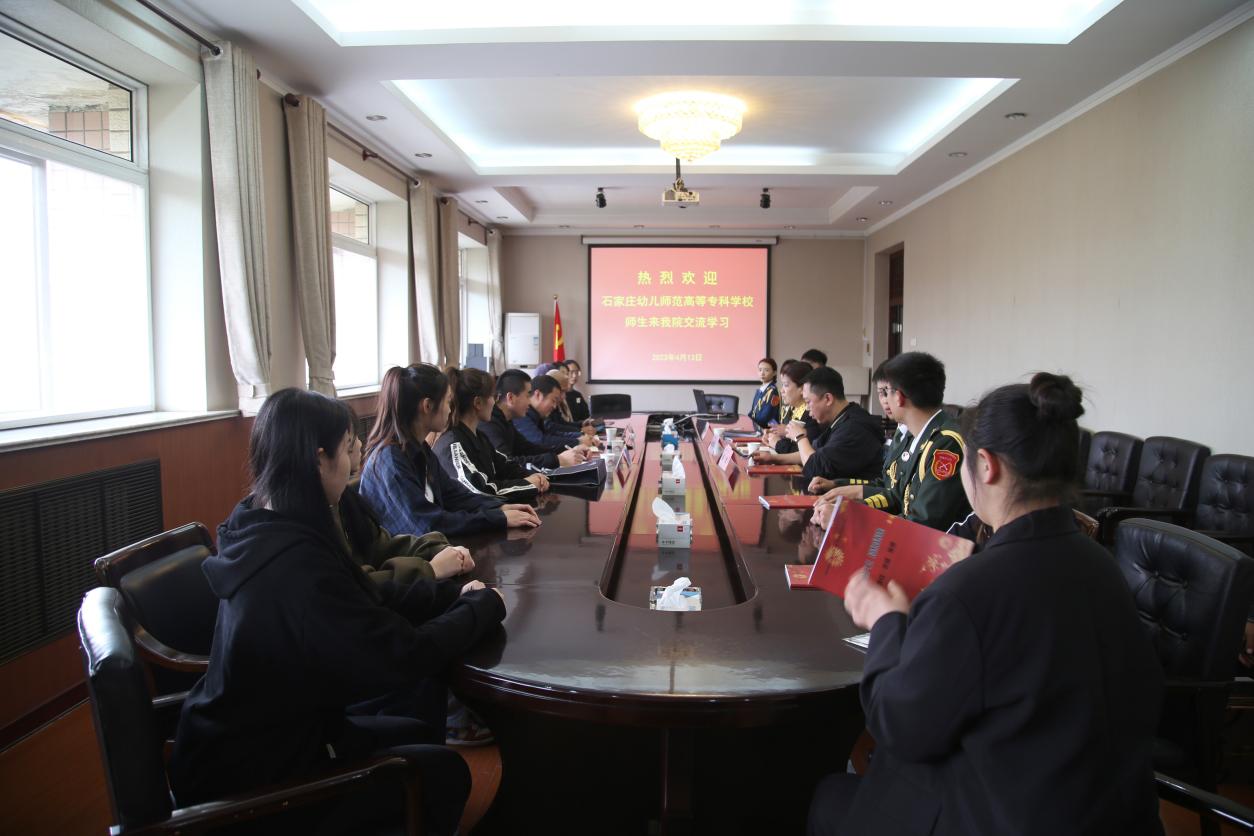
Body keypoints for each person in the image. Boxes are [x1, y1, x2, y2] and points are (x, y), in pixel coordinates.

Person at [807, 373, 1164, 836]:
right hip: (1106, 812)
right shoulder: (1105, 565)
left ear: (986, 466)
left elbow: (900, 727)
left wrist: (886, 620)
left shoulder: (967, 590)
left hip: (1004, 814)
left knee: (829, 797)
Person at [169, 388, 507, 835]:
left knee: (413, 729)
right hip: (258, 780)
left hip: (255, 736)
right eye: (348, 448)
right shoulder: (296, 562)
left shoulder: (259, 521)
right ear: (318, 459)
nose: (353, 461)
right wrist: (482, 607)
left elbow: (363, 596)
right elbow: (400, 654)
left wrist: (449, 597)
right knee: (447, 773)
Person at [360, 364, 541, 537]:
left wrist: (498, 507)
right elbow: (427, 523)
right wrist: (496, 518)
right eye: (448, 402)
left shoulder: (420, 448)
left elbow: (454, 495)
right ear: (427, 406)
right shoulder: (391, 458)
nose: (450, 409)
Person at [813, 352, 969, 532]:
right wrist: (845, 502)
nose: (885, 400)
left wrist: (847, 519)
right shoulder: (914, 434)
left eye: (887, 392)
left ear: (899, 396)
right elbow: (894, 493)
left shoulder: (945, 444)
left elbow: (923, 525)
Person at [338, 430, 475, 586]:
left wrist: (439, 548)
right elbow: (354, 586)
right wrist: (430, 569)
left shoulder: (345, 497)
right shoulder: (390, 458)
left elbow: (381, 544)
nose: (359, 443)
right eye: (349, 442)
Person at [433, 366, 549, 501]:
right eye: (492, 397)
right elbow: (480, 491)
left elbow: (506, 467)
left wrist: (534, 476)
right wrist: (527, 484)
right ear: (478, 403)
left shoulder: (479, 437)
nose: (494, 402)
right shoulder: (454, 445)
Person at [756, 367, 881, 483]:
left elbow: (814, 469)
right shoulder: (842, 418)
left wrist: (800, 437)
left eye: (808, 402)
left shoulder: (854, 427)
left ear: (828, 399)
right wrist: (773, 459)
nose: (807, 408)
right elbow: (814, 453)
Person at [481, 369, 588, 470]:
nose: (529, 402)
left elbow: (529, 449)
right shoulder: (490, 423)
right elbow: (507, 464)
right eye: (528, 396)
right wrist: (557, 459)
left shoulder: (506, 420)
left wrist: (569, 450)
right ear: (510, 398)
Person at [515, 374, 600, 451]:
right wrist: (577, 441)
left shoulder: (537, 414)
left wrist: (579, 437)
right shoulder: (521, 414)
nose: (555, 406)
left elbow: (551, 433)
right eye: (553, 400)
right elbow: (541, 441)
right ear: (538, 395)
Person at [763, 359, 810, 455]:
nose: (782, 391)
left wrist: (777, 443)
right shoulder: (795, 408)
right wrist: (773, 435)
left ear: (802, 388)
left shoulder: (810, 414)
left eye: (786, 385)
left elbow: (800, 452)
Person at [748, 357, 781, 428]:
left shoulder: (773, 391)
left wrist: (752, 423)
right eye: (760, 370)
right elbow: (753, 411)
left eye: (766, 370)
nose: (762, 373)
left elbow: (767, 416)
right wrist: (747, 420)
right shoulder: (760, 390)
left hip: (767, 429)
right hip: (757, 426)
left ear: (774, 373)